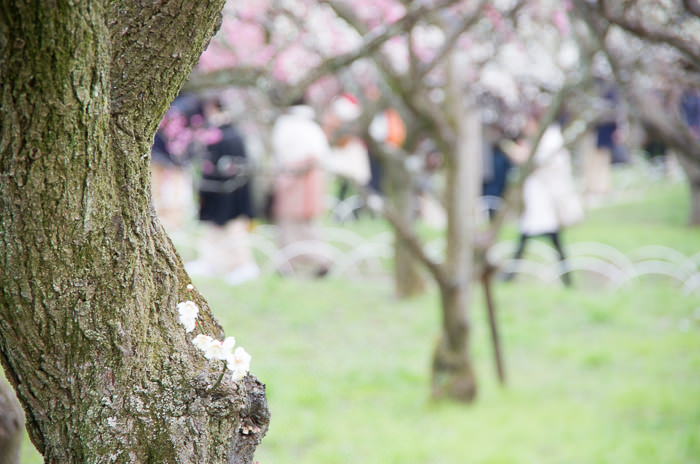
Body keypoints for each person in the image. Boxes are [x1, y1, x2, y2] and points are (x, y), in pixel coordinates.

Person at [503, 114, 583, 286]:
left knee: (541, 237)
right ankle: (512, 275)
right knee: (536, 237)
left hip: (544, 199)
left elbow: (540, 162)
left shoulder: (550, 138)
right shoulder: (547, 137)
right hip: (539, 199)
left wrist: (521, 155)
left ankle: (565, 278)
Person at [186, 98, 260, 285]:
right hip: (221, 188)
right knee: (216, 229)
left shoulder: (225, 134)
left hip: (228, 189)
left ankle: (242, 265)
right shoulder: (228, 133)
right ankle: (215, 263)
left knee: (234, 229)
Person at [270, 95, 332, 277]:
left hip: (293, 177)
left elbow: (281, 152)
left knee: (290, 224)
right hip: (312, 180)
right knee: (307, 225)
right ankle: (317, 260)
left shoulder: (286, 125)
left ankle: (294, 263)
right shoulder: (312, 126)